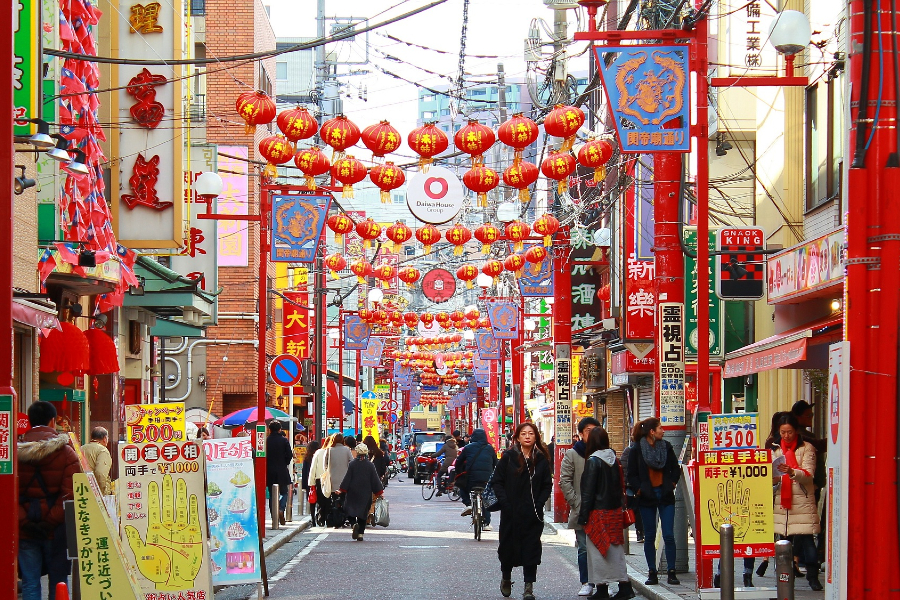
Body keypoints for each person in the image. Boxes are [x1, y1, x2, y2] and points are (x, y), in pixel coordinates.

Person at [18, 401, 80, 600]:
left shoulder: (13, 454)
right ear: (53, 421)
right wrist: (50, 522)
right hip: (57, 530)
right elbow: (69, 494)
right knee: (59, 580)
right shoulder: (66, 453)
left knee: (29, 581)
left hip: (25, 529)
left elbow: (8, 495)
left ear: (29, 421)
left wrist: (25, 521)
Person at [490, 422, 553, 600]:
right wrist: (505, 503)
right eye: (523, 433)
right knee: (507, 547)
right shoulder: (509, 457)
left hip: (533, 513)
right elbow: (497, 481)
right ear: (517, 437)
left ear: (536, 437)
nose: (527, 436)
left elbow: (547, 485)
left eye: (531, 433)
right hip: (511, 512)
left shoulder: (541, 458)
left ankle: (528, 587)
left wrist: (539, 503)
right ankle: (506, 578)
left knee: (531, 548)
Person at [578, 426, 633, 600]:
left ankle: (603, 589)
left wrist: (583, 515)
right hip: (615, 512)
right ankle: (624, 585)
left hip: (598, 513)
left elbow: (588, 492)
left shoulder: (593, 461)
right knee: (615, 550)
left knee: (597, 551)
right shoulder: (613, 459)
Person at [626, 418, 681, 586]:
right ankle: (652, 572)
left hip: (665, 494)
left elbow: (675, 468)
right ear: (652, 431)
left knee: (669, 535)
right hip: (647, 496)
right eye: (660, 428)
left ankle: (671, 571)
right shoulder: (636, 449)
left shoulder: (666, 447)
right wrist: (640, 489)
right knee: (649, 536)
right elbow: (631, 474)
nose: (662, 431)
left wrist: (671, 483)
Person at [773, 413, 822, 591]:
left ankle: (813, 576)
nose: (786, 436)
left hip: (801, 501)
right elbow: (773, 477)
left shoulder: (807, 448)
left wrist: (792, 472)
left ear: (796, 431)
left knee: (807, 540)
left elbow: (809, 475)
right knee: (784, 542)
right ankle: (785, 576)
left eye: (790, 432)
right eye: (783, 432)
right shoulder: (776, 450)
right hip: (783, 503)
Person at [559, 416, 601, 597]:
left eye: (595, 431)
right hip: (582, 509)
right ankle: (586, 581)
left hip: (601, 509)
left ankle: (602, 581)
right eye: (588, 431)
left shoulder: (605, 452)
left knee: (602, 547)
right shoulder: (573, 454)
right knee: (584, 547)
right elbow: (564, 481)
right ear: (581, 434)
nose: (591, 435)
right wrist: (576, 502)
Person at [338, 443, 384, 541]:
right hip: (366, 492)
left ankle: (354, 524)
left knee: (349, 509)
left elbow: (347, 478)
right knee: (363, 512)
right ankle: (361, 534)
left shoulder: (352, 464)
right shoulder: (370, 465)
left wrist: (342, 489)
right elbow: (375, 479)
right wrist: (379, 492)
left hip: (353, 491)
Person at [456, 428, 498, 529]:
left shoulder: (468, 448)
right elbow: (496, 463)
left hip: (471, 479)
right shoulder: (489, 448)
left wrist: (459, 472)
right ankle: (487, 523)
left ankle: (468, 504)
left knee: (462, 485)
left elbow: (459, 462)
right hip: (486, 480)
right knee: (485, 498)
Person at [266, 421, 293, 525]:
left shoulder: (266, 440)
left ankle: (274, 515)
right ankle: (281, 509)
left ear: (269, 429)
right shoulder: (284, 440)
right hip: (282, 470)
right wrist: (284, 462)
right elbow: (289, 455)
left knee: (272, 494)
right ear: (280, 429)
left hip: (269, 471)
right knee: (284, 492)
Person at [308, 434, 337, 526]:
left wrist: (311, 482)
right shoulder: (332, 452)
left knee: (320, 500)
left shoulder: (318, 452)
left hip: (319, 479)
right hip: (330, 479)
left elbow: (313, 468)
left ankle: (321, 518)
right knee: (328, 500)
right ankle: (328, 518)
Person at [618, 441, 644, 543]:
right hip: (631, 486)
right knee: (634, 509)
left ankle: (639, 532)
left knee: (635, 509)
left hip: (633, 485)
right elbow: (625, 469)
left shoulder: (628, 451)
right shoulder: (631, 451)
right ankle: (639, 532)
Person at [83, 426, 113, 495]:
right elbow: (100, 474)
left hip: (82, 490)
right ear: (105, 438)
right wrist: (100, 493)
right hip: (96, 493)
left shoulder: (81, 448)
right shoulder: (102, 450)